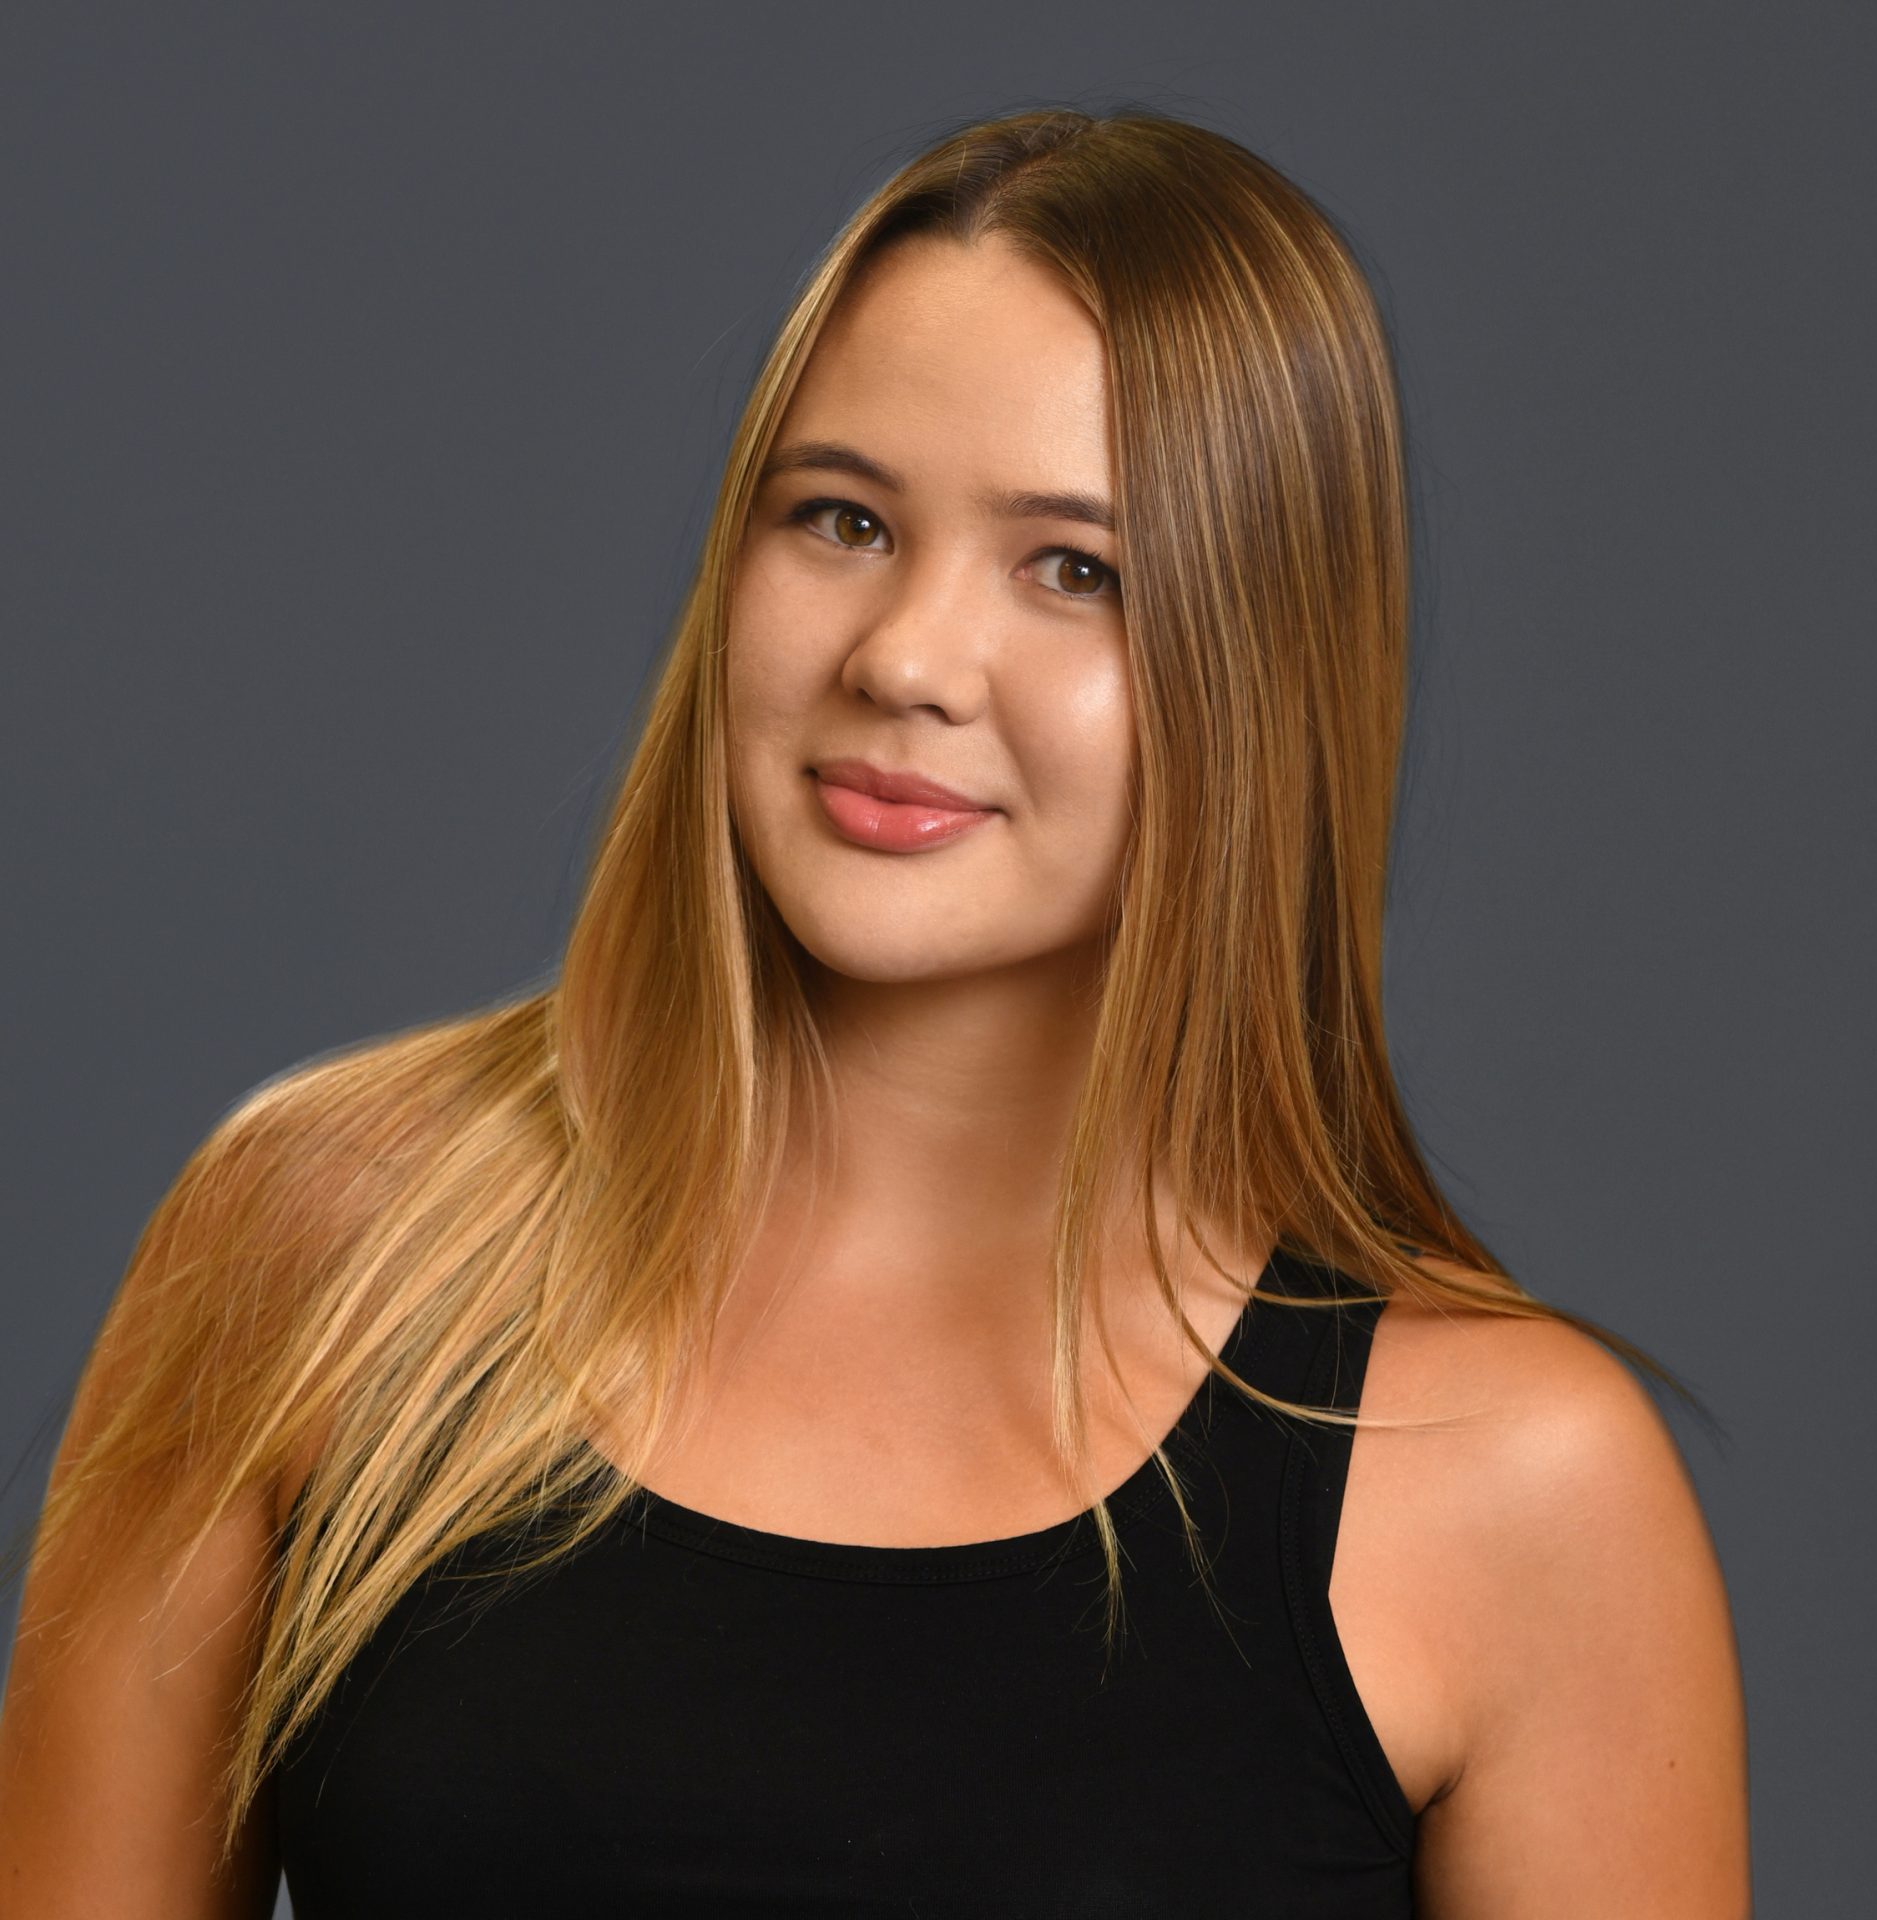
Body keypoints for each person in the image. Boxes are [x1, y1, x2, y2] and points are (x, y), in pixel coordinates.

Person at [0, 106, 1750, 1915]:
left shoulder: (1510, 1485)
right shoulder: (322, 1253)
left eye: (1076, 569)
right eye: (842, 519)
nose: (904, 657)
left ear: (1265, 669)